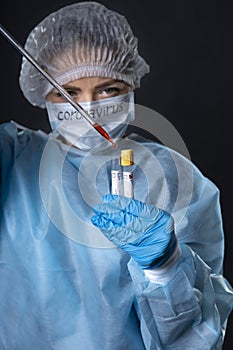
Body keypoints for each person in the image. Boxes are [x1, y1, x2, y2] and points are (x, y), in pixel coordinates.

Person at [0, 2, 233, 349]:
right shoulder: (12, 159)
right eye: (68, 93)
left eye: (108, 90)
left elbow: (195, 341)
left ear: (130, 85)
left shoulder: (175, 180)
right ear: (42, 95)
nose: (89, 109)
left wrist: (165, 267)